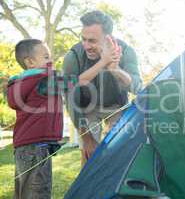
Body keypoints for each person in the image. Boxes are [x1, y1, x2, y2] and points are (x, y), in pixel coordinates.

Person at [7, 38, 119, 199]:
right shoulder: (43, 81)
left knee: (23, 192)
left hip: (23, 149)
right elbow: (80, 80)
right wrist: (104, 61)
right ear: (30, 62)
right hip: (36, 150)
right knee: (38, 192)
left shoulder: (23, 83)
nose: (51, 61)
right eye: (46, 57)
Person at [62, 10, 142, 166]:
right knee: (89, 155)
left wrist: (116, 70)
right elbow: (70, 98)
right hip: (86, 107)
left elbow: (138, 87)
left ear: (108, 39)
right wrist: (86, 138)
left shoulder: (126, 51)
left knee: (119, 150)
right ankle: (88, 188)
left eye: (92, 41)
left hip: (116, 105)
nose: (86, 46)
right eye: (83, 39)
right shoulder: (73, 56)